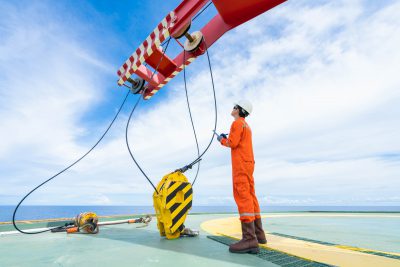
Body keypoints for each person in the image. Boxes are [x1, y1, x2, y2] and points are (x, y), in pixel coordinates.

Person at [216, 100, 266, 254]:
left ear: (239, 110)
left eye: (234, 107)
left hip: (241, 165)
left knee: (242, 196)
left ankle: (249, 240)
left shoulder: (237, 123)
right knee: (251, 196)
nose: (232, 108)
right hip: (248, 163)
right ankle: (259, 235)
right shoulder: (246, 126)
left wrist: (221, 140)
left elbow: (232, 143)